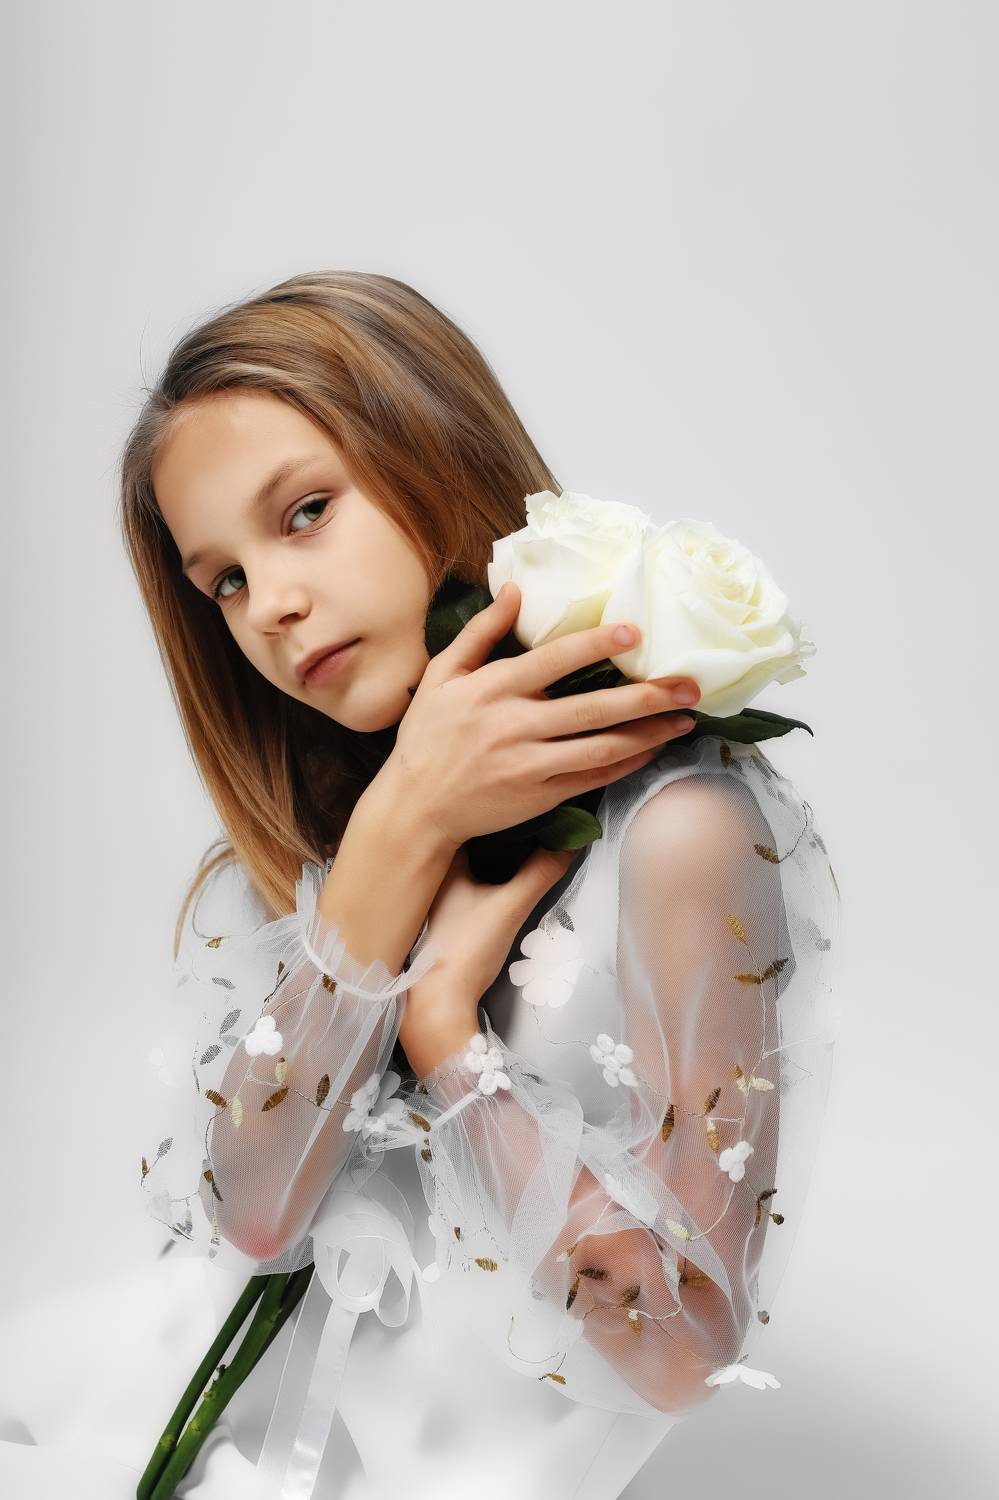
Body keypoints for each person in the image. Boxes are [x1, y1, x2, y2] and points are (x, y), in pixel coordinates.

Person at [0, 271, 842, 1499]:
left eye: (305, 513)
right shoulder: (329, 840)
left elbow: (680, 1350)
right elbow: (254, 1220)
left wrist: (447, 1034)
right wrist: (401, 829)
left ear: (436, 452)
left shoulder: (683, 834)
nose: (270, 606)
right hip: (185, 1416)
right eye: (222, 581)